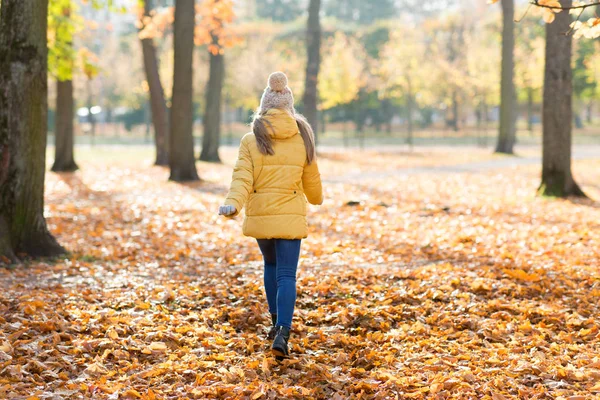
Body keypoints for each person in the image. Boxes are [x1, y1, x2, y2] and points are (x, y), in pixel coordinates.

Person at [218, 72, 323, 359]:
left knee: (271, 266)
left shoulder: (251, 139)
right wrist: (316, 198)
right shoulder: (303, 137)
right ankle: (282, 331)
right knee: (287, 275)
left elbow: (241, 178)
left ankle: (274, 323)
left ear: (264, 106)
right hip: (290, 214)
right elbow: (312, 182)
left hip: (262, 216)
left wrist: (232, 205)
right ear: (289, 106)